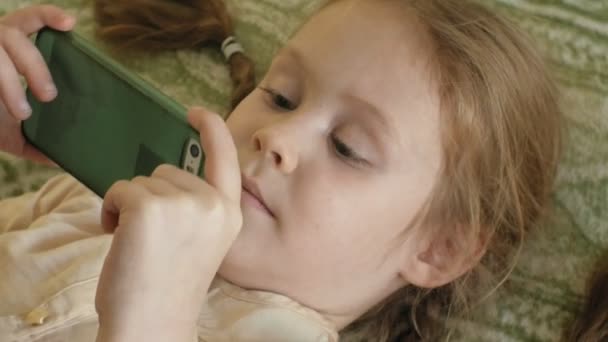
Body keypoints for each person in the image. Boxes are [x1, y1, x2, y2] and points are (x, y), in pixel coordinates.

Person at [0, 0, 562, 340]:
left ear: (438, 249)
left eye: (347, 147)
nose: (278, 136)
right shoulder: (90, 199)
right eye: (282, 96)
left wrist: (153, 320)